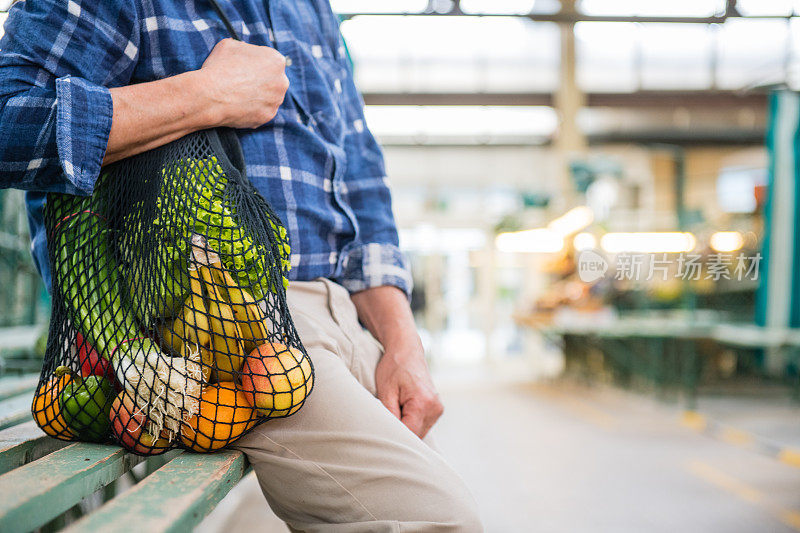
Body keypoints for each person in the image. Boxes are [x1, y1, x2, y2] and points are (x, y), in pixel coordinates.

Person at [0, 0, 482, 531]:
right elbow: (8, 123)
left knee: (445, 495)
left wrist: (403, 344)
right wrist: (206, 96)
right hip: (212, 335)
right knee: (442, 519)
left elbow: (361, 182)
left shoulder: (311, 8)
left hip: (344, 315)